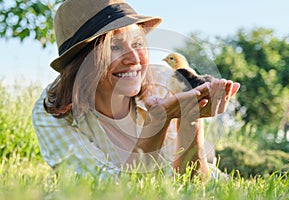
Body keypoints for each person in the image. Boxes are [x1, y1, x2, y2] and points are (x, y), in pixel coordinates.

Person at [32, 0, 240, 180]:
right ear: (82, 62)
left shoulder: (168, 80)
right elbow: (111, 191)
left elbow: (194, 184)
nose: (134, 59)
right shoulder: (51, 113)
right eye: (114, 47)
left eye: (138, 43)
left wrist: (192, 116)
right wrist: (158, 121)